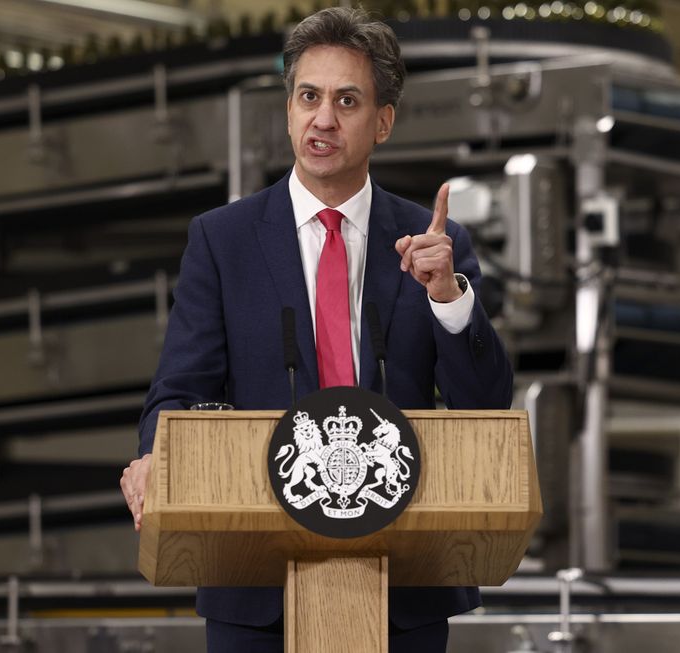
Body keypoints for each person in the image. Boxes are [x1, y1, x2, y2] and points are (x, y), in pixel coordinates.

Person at [121, 6, 514, 652]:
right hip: (257, 598)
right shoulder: (222, 242)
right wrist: (152, 457)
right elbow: (175, 392)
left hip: (404, 594)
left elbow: (485, 406)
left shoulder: (435, 243)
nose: (323, 118)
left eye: (347, 100)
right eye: (309, 96)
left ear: (382, 121)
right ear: (288, 109)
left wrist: (448, 297)